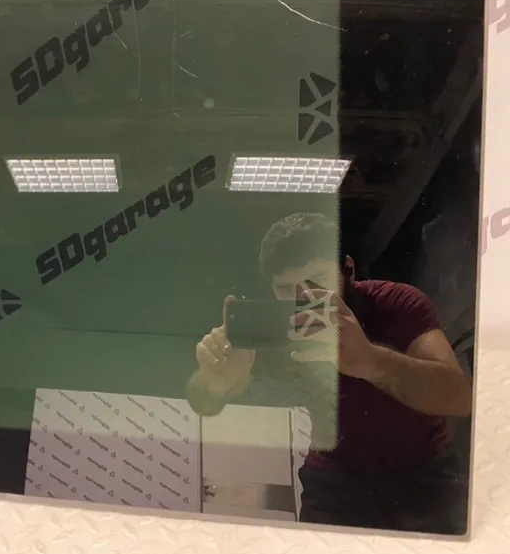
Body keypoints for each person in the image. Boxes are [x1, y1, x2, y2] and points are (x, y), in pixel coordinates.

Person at [187, 212, 472, 534]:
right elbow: (203, 402)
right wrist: (216, 380)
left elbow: (459, 398)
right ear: (272, 289)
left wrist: (370, 360)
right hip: (336, 475)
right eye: (287, 288)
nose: (305, 298)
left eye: (319, 280)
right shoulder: (276, 327)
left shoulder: (394, 303)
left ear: (347, 269)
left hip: (421, 468)